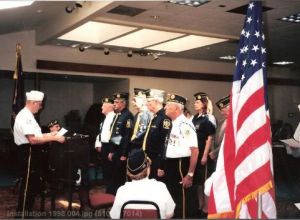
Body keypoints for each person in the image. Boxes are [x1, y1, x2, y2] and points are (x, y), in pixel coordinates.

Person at [13, 90, 65, 218]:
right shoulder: (25, 116)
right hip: (28, 152)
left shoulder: (29, 115)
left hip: (32, 151)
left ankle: (26, 212)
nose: (41, 107)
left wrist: (49, 134)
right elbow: (33, 139)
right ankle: (22, 216)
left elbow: (37, 135)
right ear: (34, 103)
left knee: (33, 185)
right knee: (28, 186)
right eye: (40, 105)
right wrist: (54, 138)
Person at [110, 148, 175, 219]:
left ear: (128, 172)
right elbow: (170, 214)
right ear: (148, 170)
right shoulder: (161, 187)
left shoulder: (121, 191)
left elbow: (115, 216)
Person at [164, 93, 199, 218]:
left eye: (168, 106)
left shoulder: (185, 125)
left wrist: (190, 175)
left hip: (180, 165)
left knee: (182, 200)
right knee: (173, 198)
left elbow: (195, 150)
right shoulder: (174, 123)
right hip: (172, 164)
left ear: (177, 109)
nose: (165, 108)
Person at [192, 92, 216, 217]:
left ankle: (206, 208)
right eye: (195, 102)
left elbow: (210, 138)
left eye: (197, 102)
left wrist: (205, 155)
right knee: (198, 183)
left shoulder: (209, 118)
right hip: (196, 152)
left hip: (203, 153)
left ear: (204, 104)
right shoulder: (195, 117)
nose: (195, 104)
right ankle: (200, 205)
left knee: (205, 181)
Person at [107, 92, 134, 195]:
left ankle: (119, 197)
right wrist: (111, 151)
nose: (114, 104)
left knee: (120, 177)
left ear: (123, 103)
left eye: (116, 102)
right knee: (114, 175)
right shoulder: (118, 115)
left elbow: (127, 137)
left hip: (122, 152)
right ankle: (112, 195)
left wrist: (124, 154)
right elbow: (115, 135)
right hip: (116, 150)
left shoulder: (128, 116)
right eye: (114, 102)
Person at [143, 88, 171, 180]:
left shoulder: (164, 118)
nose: (146, 104)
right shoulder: (155, 117)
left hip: (157, 161)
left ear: (156, 101)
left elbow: (165, 144)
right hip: (150, 159)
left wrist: (161, 165)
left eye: (149, 101)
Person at [94, 97, 115, 186]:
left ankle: (110, 186)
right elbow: (101, 132)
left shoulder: (114, 117)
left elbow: (115, 135)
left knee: (110, 168)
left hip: (110, 145)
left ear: (109, 107)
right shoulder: (105, 118)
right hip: (104, 145)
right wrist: (98, 143)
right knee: (105, 167)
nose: (101, 108)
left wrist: (112, 150)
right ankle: (107, 185)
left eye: (103, 106)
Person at [209, 95, 230, 161]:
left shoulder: (234, 124)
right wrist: (212, 150)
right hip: (217, 157)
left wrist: (215, 153)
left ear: (230, 109)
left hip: (226, 156)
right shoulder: (221, 122)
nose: (221, 113)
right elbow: (214, 138)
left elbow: (227, 142)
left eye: (223, 110)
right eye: (220, 111)